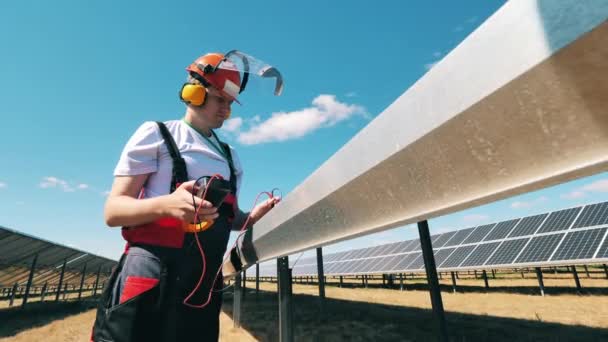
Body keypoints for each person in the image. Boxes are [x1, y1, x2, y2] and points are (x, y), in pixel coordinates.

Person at [91, 51, 281, 342]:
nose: (226, 111)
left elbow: (229, 219)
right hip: (150, 276)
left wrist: (253, 218)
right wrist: (167, 205)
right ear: (193, 93)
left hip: (202, 285)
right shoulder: (158, 134)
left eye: (230, 104)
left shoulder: (231, 157)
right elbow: (113, 211)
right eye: (220, 100)